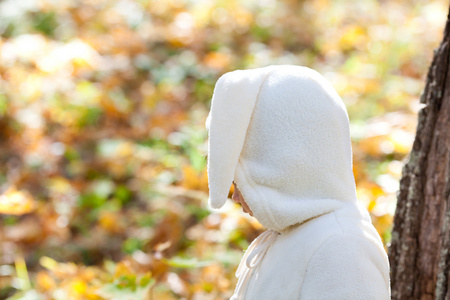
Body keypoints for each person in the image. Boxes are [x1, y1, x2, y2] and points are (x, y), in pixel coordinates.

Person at [205, 65, 390, 300]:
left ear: (284, 161)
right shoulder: (296, 238)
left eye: (243, 178)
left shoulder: (341, 248)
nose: (236, 196)